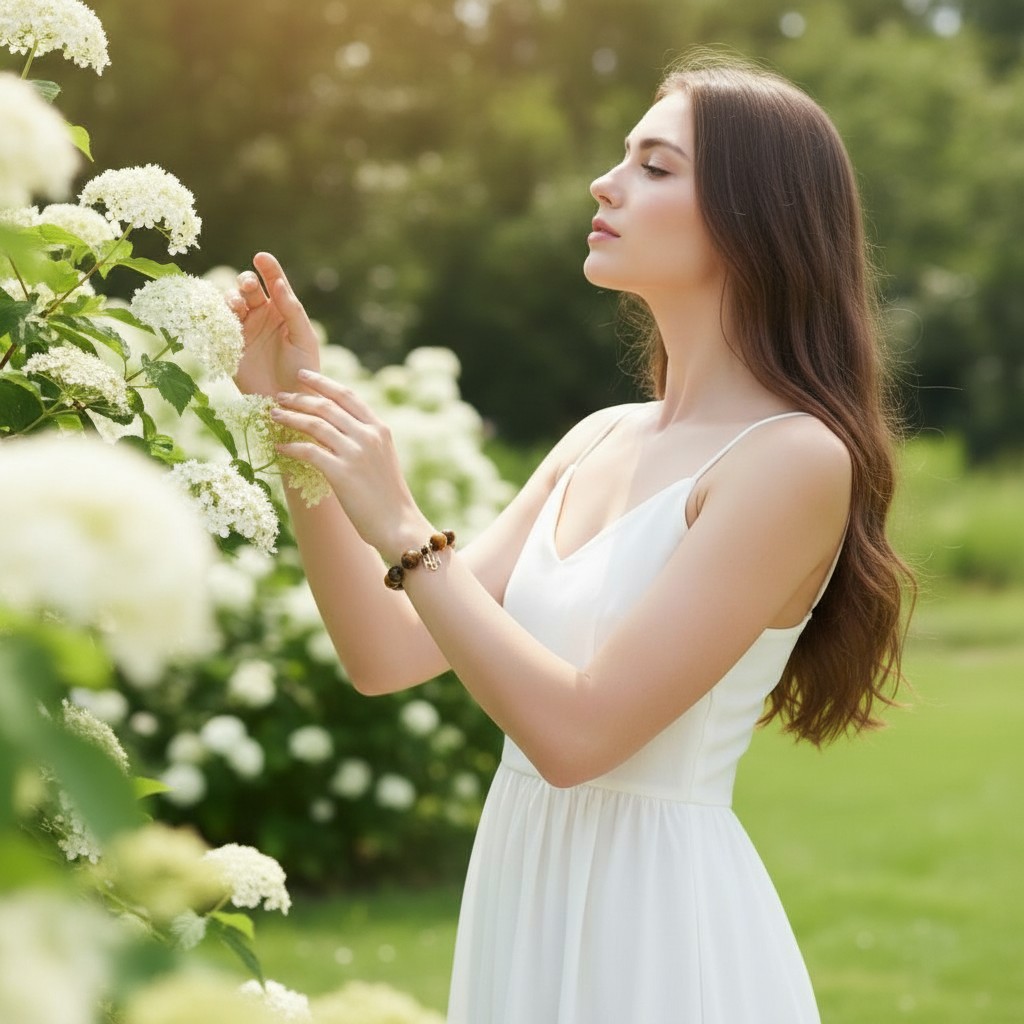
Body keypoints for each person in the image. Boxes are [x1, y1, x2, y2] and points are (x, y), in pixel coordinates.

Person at [228, 55, 912, 1024]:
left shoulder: (793, 459)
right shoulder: (596, 436)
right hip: (524, 895)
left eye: (655, 164)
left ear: (753, 217)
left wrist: (404, 523)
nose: (606, 180)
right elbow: (384, 654)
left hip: (656, 933)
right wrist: (297, 419)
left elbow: (577, 735)